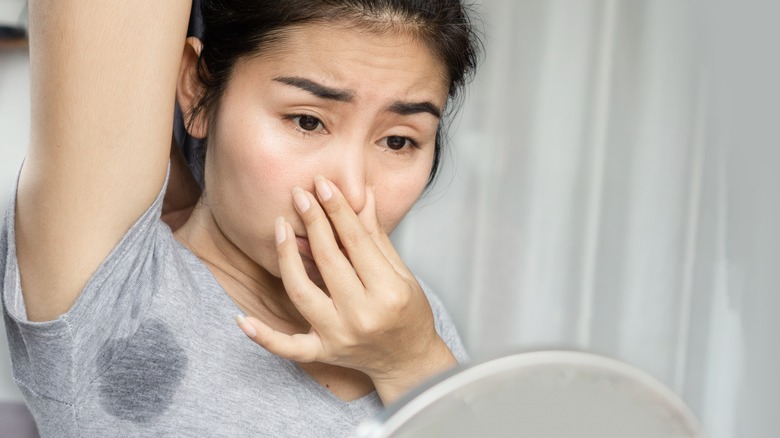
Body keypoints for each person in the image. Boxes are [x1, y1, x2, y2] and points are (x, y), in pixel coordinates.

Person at [1, 0, 481, 436]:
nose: (351, 192)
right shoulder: (118, 291)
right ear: (197, 87)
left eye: (398, 140)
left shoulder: (408, 316)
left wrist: (412, 361)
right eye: (307, 120)